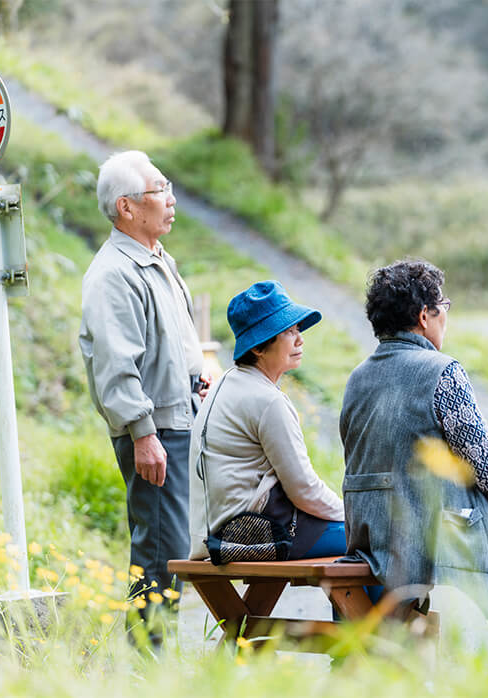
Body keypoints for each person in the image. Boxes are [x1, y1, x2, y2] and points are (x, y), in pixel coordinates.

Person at [339, 259, 488, 643]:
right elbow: (481, 456)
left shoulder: (357, 377)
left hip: (369, 536)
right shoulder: (441, 370)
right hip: (426, 535)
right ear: (424, 315)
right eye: (444, 307)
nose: (445, 317)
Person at [79, 150, 209, 640]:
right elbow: (116, 364)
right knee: (160, 555)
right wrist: (142, 432)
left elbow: (169, 344)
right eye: (160, 190)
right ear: (127, 207)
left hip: (178, 421)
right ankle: (148, 672)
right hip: (156, 433)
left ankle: (156, 665)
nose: (171, 200)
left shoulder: (157, 259)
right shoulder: (114, 273)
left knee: (173, 552)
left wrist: (195, 377)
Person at [189, 280, 344, 563]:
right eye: (288, 331)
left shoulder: (227, 383)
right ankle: (366, 610)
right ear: (259, 348)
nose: (300, 339)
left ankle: (358, 608)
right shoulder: (267, 400)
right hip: (256, 533)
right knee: (374, 542)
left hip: (219, 531)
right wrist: (351, 515)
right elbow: (304, 490)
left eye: (298, 330)